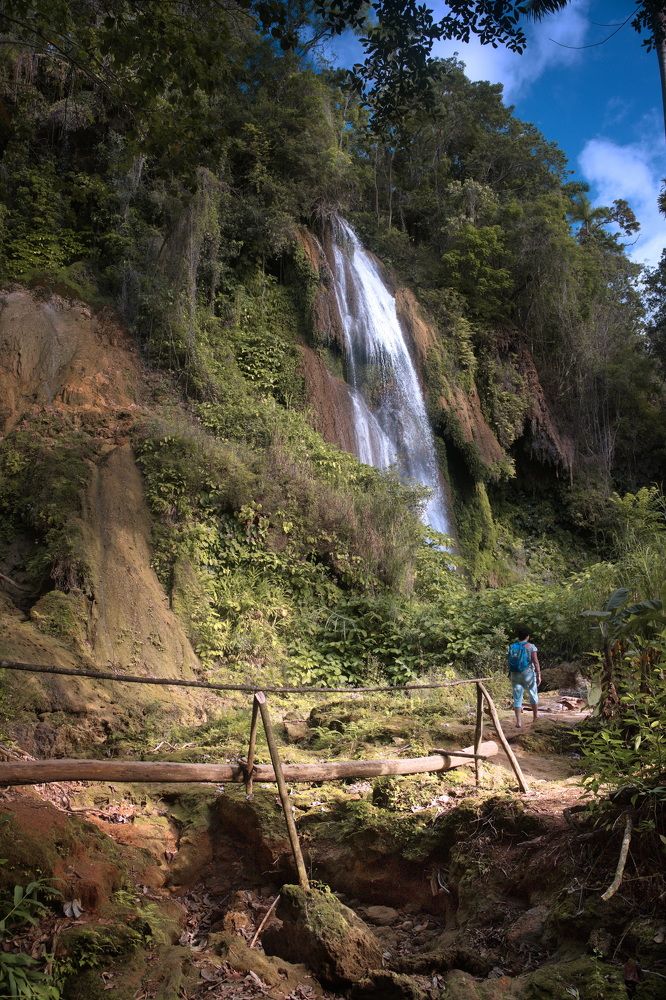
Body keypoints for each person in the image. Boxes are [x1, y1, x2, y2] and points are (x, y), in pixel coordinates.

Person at [508, 627, 541, 728]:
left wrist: (509, 673)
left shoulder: (512, 646)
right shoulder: (531, 647)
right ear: (527, 636)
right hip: (528, 674)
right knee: (533, 694)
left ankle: (518, 722)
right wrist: (539, 673)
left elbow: (509, 661)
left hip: (515, 674)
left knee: (517, 698)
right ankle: (535, 718)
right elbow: (535, 661)